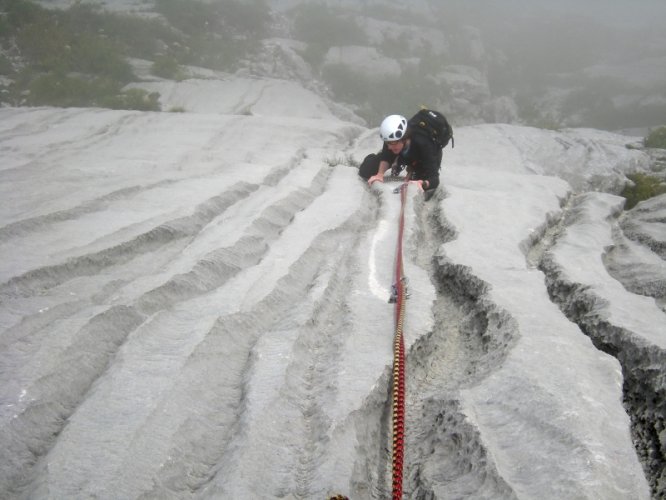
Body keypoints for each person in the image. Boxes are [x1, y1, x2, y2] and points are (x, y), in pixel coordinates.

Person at [366, 114, 442, 192]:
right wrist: (380, 174)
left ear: (404, 138)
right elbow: (386, 156)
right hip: (402, 150)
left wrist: (422, 183)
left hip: (421, 157)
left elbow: (434, 179)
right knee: (366, 169)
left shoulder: (424, 145)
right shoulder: (392, 140)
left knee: (416, 182)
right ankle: (398, 160)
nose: (389, 147)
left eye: (392, 143)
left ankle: (412, 168)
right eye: (387, 143)